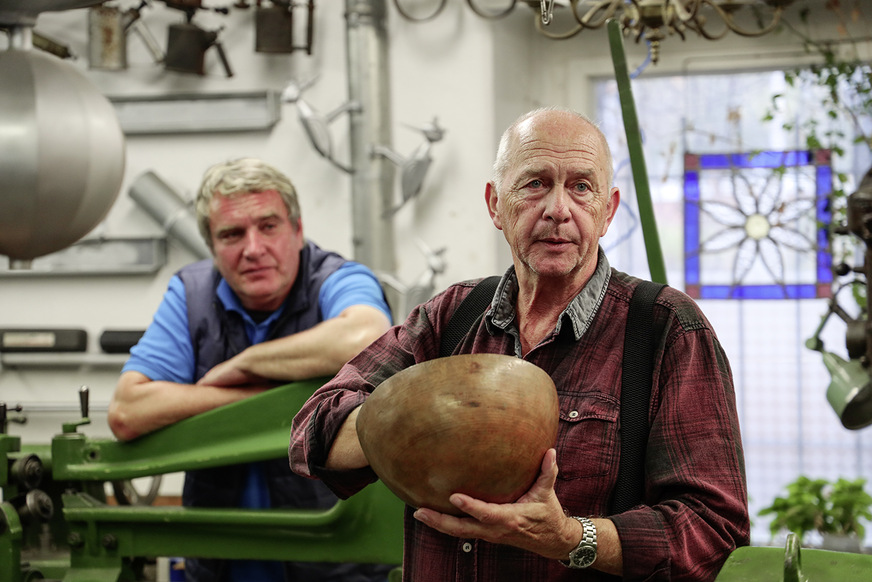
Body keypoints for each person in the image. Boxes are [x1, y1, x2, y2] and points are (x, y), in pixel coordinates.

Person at [289, 107, 750, 581]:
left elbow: (713, 533)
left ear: (608, 211)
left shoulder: (665, 328)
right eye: (535, 184)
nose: (558, 209)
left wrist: (570, 538)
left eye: (581, 187)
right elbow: (312, 432)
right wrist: (413, 418)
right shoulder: (453, 314)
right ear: (495, 204)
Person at [108, 158, 394, 582]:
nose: (253, 248)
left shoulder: (339, 278)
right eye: (232, 234)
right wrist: (263, 397)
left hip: (334, 563)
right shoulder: (190, 294)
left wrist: (244, 363)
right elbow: (128, 410)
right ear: (211, 245)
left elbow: (366, 335)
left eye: (268, 226)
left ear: (297, 230)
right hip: (220, 562)